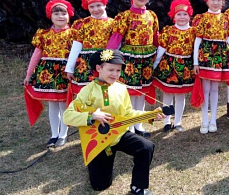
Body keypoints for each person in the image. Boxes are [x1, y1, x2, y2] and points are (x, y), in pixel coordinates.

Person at [63, 49, 164, 195]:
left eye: (118, 70)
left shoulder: (121, 89)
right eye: (111, 70)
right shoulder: (87, 91)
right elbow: (67, 116)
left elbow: (128, 114)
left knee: (146, 146)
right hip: (99, 141)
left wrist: (150, 116)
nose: (115, 74)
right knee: (100, 185)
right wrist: (91, 116)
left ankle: (138, 187)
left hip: (119, 135)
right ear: (99, 68)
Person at [106, 0, 159, 138]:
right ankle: (127, 126)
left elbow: (155, 37)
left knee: (142, 92)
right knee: (128, 93)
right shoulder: (125, 16)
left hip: (147, 59)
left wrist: (158, 56)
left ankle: (139, 124)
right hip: (129, 59)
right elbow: (116, 39)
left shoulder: (152, 16)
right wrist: (108, 58)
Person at [23, 0, 74, 147]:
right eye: (56, 13)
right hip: (48, 74)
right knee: (53, 104)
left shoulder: (73, 34)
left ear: (69, 15)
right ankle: (54, 134)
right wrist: (29, 74)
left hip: (65, 73)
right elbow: (36, 55)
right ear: (50, 16)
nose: (60, 16)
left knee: (64, 104)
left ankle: (63, 134)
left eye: (63, 13)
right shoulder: (43, 35)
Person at [192, 0, 229, 134]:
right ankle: (204, 119)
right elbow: (197, 41)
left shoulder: (226, 18)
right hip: (206, 55)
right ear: (206, 0)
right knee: (205, 88)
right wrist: (195, 62)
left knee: (215, 89)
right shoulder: (201, 18)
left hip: (221, 56)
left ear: (223, 1)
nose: (216, 2)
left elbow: (228, 40)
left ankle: (213, 119)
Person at [153, 0, 196, 132]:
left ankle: (177, 121)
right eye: (179, 14)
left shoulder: (193, 32)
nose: (182, 17)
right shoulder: (168, 30)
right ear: (173, 16)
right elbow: (161, 48)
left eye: (185, 14)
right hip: (169, 66)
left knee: (180, 96)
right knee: (167, 95)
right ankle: (167, 121)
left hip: (185, 68)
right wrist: (155, 64)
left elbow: (195, 49)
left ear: (190, 15)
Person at [65, 0, 114, 103]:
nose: (96, 9)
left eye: (98, 5)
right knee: (87, 94)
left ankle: (106, 118)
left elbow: (116, 46)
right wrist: (70, 68)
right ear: (87, 7)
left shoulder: (113, 23)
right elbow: (76, 47)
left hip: (106, 63)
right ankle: (87, 118)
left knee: (105, 92)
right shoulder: (82, 24)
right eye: (92, 6)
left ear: (105, 5)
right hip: (86, 65)